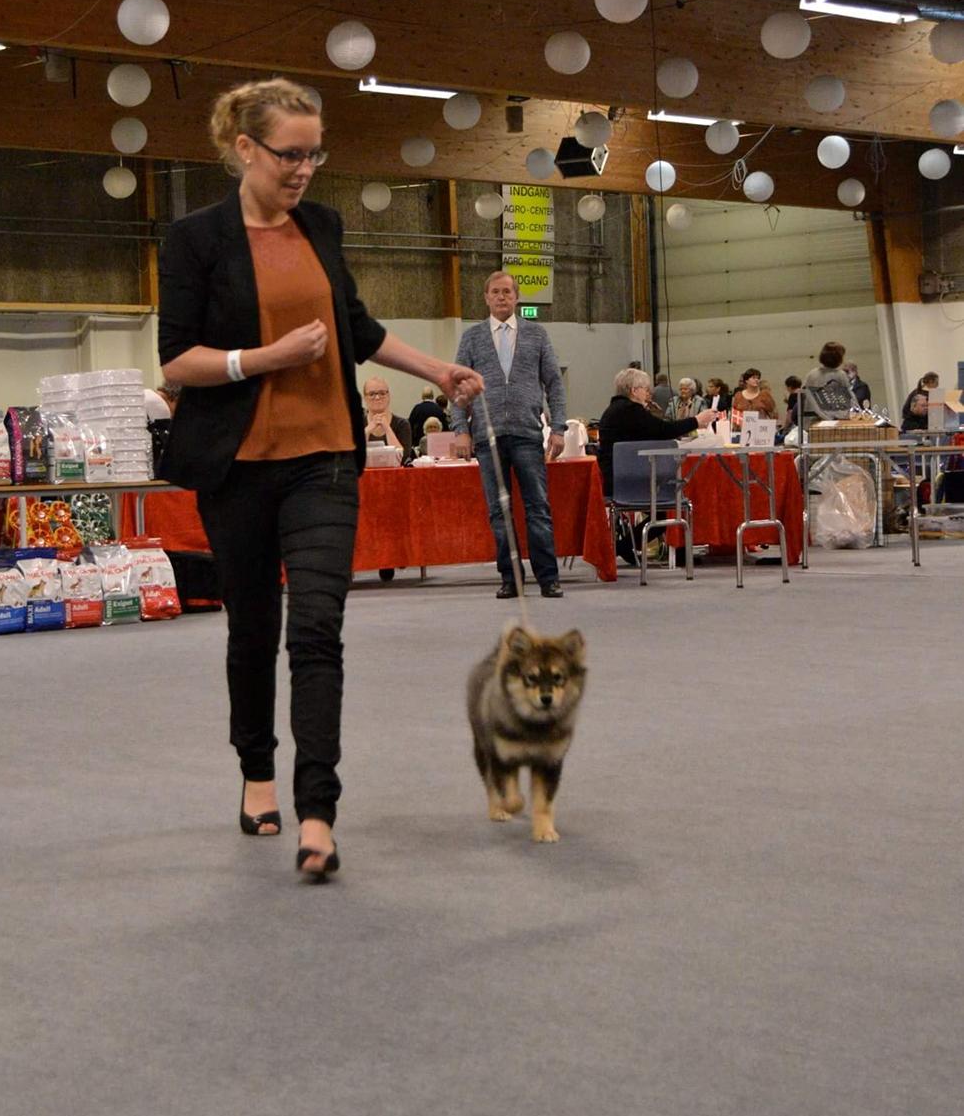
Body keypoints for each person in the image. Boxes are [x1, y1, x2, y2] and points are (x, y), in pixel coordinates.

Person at [157, 77, 483, 881]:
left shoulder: (322, 227)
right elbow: (177, 359)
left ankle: (318, 814)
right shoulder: (196, 239)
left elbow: (356, 327)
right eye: (289, 155)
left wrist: (437, 369)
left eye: (314, 154)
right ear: (245, 148)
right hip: (236, 466)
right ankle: (257, 776)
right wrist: (266, 360)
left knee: (316, 635)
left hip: (326, 459)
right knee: (252, 633)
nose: (303, 169)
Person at [450, 270, 567, 598]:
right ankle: (510, 578)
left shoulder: (537, 334)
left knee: (538, 508)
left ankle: (548, 578)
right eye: (495, 292)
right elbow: (457, 386)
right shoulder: (472, 338)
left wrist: (558, 428)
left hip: (528, 434)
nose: (501, 297)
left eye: (507, 292)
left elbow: (554, 383)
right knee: (498, 511)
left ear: (517, 298)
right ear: (486, 298)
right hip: (487, 437)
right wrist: (460, 429)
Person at [596, 367, 717, 495]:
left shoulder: (615, 409)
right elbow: (663, 430)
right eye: (645, 389)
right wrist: (697, 420)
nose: (648, 393)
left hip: (616, 477)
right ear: (634, 391)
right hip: (633, 481)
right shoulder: (630, 410)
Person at [802, 342, 856, 429]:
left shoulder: (811, 375)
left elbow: (806, 399)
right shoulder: (841, 375)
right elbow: (850, 401)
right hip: (835, 423)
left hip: (812, 424)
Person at [363, 376, 412, 463]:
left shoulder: (402, 424)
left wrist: (387, 428)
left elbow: (403, 458)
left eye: (382, 393)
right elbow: (353, 457)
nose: (377, 397)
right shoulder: (356, 423)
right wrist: (367, 430)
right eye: (371, 394)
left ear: (388, 396)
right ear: (365, 398)